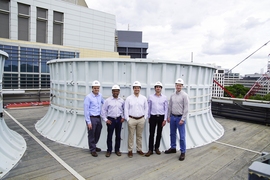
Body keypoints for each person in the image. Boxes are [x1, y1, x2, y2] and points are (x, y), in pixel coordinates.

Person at [165, 78, 189, 161]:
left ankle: (183, 151)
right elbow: (170, 106)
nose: (178, 87)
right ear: (175, 86)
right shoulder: (172, 95)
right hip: (172, 117)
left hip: (180, 118)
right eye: (177, 85)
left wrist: (183, 119)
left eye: (180, 85)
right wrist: (168, 116)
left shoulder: (184, 95)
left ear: (182, 86)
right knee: (172, 134)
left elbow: (186, 108)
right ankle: (173, 148)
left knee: (182, 136)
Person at [124, 81, 148, 158]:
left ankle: (139, 149)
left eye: (138, 88)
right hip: (132, 119)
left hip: (141, 119)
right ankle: (130, 150)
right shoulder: (129, 98)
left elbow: (146, 108)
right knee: (131, 135)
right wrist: (127, 119)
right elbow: (126, 109)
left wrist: (145, 118)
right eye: (135, 88)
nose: (136, 89)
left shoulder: (143, 98)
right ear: (133, 89)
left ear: (140, 89)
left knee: (139, 135)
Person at [145, 81, 168, 157]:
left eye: (159, 87)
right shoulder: (151, 97)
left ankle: (157, 148)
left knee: (159, 133)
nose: (158, 88)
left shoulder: (164, 97)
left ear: (161, 88)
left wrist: (165, 119)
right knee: (151, 134)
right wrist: (148, 117)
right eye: (156, 87)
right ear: (155, 88)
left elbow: (166, 109)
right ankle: (150, 149)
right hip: (153, 116)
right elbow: (149, 108)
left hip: (161, 117)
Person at [101, 85, 125, 157]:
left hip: (118, 119)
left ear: (119, 92)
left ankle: (117, 150)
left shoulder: (121, 100)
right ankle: (109, 150)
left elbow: (124, 109)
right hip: (111, 120)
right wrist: (105, 119)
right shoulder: (108, 100)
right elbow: (103, 111)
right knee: (109, 136)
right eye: (114, 91)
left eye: (117, 91)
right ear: (112, 92)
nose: (115, 92)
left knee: (118, 136)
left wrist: (123, 117)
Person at [84, 80, 104, 157]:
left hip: (98, 117)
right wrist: (88, 121)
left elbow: (104, 102)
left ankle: (94, 145)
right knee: (91, 134)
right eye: (95, 88)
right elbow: (86, 110)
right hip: (91, 118)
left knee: (98, 132)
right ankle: (92, 149)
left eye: (98, 88)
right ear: (92, 88)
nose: (96, 89)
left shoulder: (100, 96)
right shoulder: (88, 97)